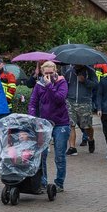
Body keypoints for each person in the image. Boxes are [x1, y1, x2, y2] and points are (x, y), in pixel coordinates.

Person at [28, 60, 70, 191]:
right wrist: (33, 117)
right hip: (44, 124)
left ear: (55, 71)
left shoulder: (62, 82)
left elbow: (59, 98)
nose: (49, 76)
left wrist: (49, 86)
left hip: (61, 123)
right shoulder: (39, 85)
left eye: (51, 73)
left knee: (59, 155)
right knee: (42, 154)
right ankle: (42, 181)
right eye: (46, 73)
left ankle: (59, 183)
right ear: (42, 72)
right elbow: (33, 103)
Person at [65, 64, 97, 154]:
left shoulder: (90, 72)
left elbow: (95, 85)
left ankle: (91, 139)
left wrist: (85, 81)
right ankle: (72, 148)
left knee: (87, 126)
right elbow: (65, 85)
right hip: (70, 101)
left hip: (85, 102)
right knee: (71, 124)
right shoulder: (69, 72)